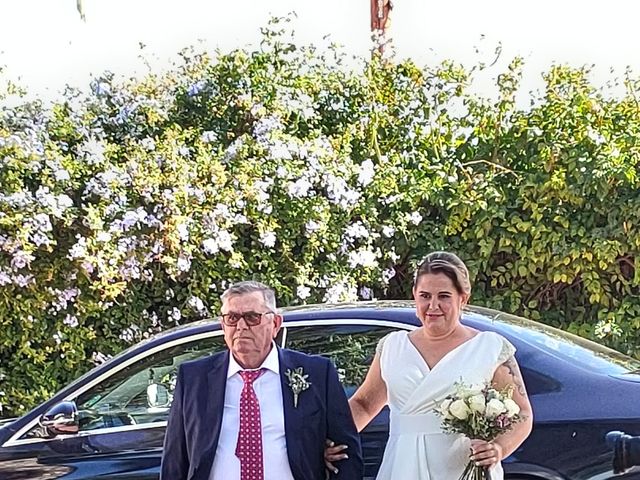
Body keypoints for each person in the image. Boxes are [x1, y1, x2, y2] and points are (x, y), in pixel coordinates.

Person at [326, 251, 533, 479]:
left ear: (462, 298)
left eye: (444, 296)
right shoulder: (392, 346)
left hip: (461, 468)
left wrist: (499, 448)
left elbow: (522, 413)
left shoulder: (490, 347)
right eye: (425, 296)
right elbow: (364, 405)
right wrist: (331, 439)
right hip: (402, 465)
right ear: (415, 295)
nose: (433, 305)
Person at [160, 280, 362, 480]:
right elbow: (175, 461)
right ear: (223, 325)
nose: (241, 326)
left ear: (275, 324)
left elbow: (345, 454)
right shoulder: (194, 379)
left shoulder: (316, 374)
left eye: (251, 317)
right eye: (232, 318)